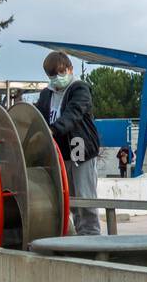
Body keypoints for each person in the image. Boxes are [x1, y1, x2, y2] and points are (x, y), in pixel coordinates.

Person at [35, 52, 102, 236]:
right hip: (61, 153)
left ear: (70, 69)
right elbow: (38, 116)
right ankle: (81, 236)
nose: (57, 78)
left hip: (80, 148)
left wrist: (53, 129)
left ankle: (92, 237)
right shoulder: (46, 95)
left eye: (61, 72)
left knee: (84, 196)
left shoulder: (80, 89)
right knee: (71, 198)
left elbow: (74, 113)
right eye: (52, 75)